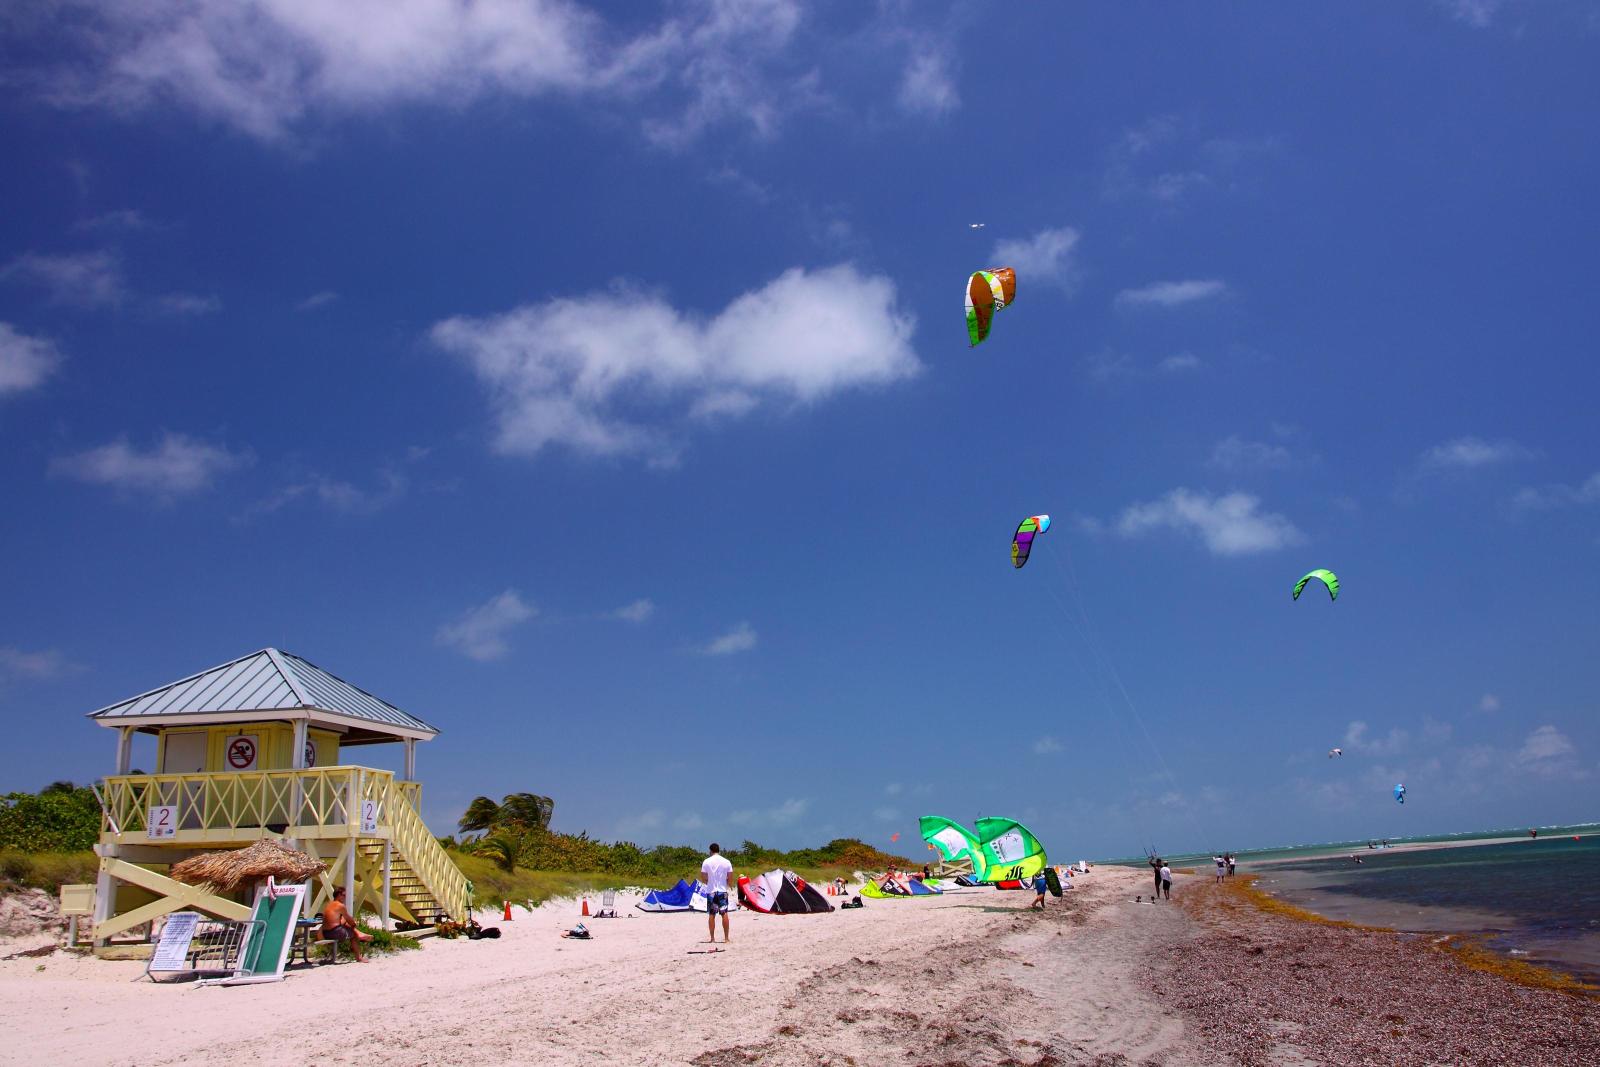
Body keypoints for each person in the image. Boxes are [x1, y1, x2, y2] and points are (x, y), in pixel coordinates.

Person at [320, 886, 373, 962]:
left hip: (325, 933)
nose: (345, 898)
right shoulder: (340, 906)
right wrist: (354, 925)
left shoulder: (328, 904)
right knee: (353, 935)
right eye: (344, 895)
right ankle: (359, 957)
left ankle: (360, 934)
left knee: (344, 921)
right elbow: (350, 920)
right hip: (335, 932)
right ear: (339, 895)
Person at [700, 843, 735, 944]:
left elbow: (703, 877)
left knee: (712, 914)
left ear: (710, 850)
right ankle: (726, 938)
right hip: (722, 890)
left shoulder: (706, 861)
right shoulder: (726, 861)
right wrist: (728, 884)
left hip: (711, 891)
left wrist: (708, 882)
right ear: (719, 850)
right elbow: (730, 876)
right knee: (724, 913)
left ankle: (712, 938)